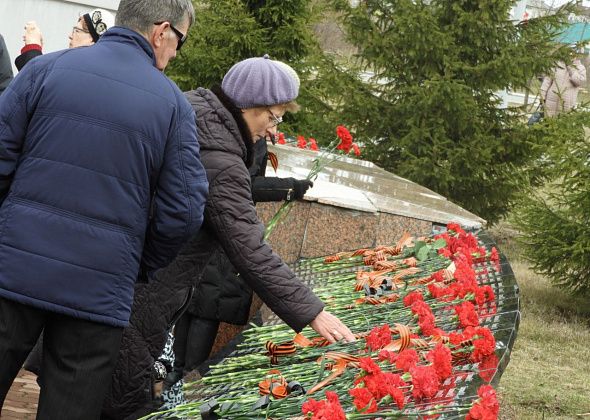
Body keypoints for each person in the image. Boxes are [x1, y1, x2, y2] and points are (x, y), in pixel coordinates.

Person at [102, 56, 354, 418]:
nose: (272, 129)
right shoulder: (222, 162)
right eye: (272, 116)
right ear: (247, 106)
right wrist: (313, 313)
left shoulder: (189, 112)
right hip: (139, 302)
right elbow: (250, 248)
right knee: (118, 404)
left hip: (111, 283)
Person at [0, 1, 208, 419]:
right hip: (99, 291)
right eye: (179, 43)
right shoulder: (172, 106)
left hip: (13, 270)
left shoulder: (44, 70)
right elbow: (184, 212)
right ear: (161, 31)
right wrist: (137, 263)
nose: (174, 53)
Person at [15, 9, 115, 71]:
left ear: (93, 40)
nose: (70, 36)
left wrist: (33, 47)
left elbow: (35, 85)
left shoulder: (79, 71)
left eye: (77, 30)